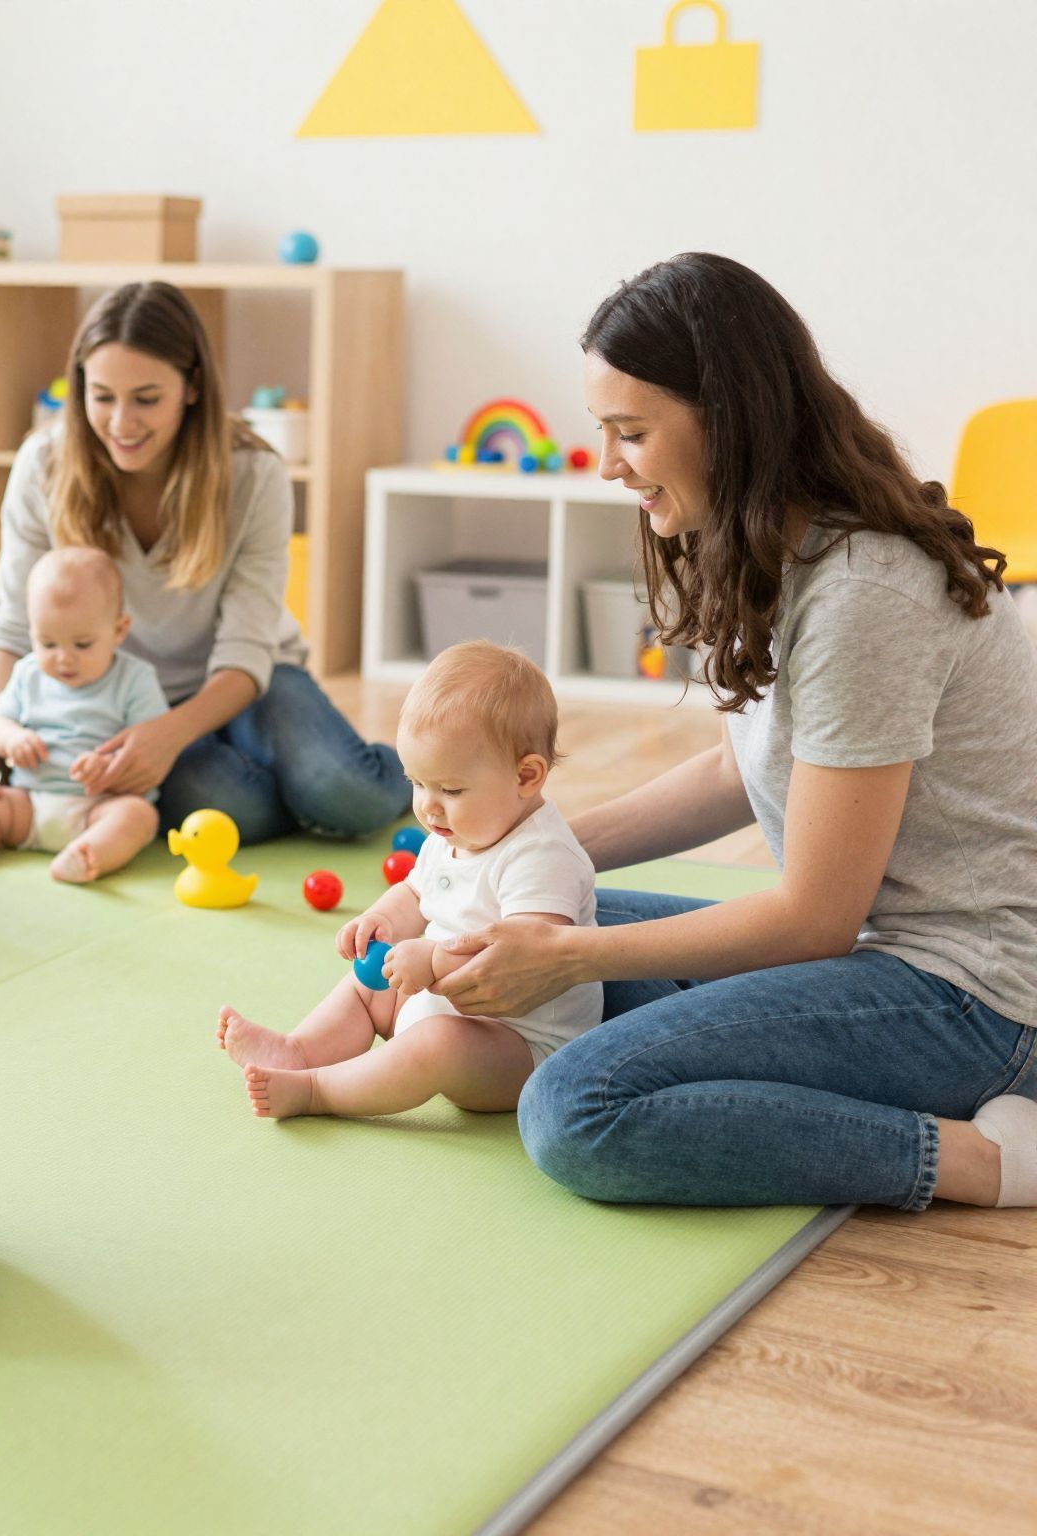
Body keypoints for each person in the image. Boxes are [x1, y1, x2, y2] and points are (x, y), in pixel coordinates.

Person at [425, 253, 1037, 1211]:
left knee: (574, 1108)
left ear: (731, 419)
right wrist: (507, 858)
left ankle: (985, 1162)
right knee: (494, 929)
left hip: (975, 1000)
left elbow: (812, 917)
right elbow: (731, 769)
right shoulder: (778, 547)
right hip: (865, 957)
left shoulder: (863, 593)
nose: (609, 463)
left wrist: (567, 955)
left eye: (631, 433)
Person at [0, 281, 408, 845]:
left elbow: (248, 651)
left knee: (348, 793)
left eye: (146, 399)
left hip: (249, 683)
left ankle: (381, 774)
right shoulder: (44, 464)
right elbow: (9, 628)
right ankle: (289, 791)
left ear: (193, 386)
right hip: (116, 697)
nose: (121, 423)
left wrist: (169, 735)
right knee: (225, 809)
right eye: (102, 397)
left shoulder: (253, 476)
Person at [219, 643, 601, 1119]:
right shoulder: (452, 830)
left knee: (437, 1044)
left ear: (526, 775)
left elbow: (525, 957)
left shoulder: (541, 855)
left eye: (451, 789)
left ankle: (319, 1090)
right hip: (443, 998)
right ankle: (299, 1052)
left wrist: (435, 959)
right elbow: (418, 891)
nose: (428, 806)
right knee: (367, 986)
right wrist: (381, 918)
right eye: (417, 783)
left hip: (519, 1047)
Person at [0, 547, 166, 883]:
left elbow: (150, 744)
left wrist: (108, 765)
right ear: (31, 631)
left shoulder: (135, 679)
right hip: (28, 804)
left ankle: (89, 855)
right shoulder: (27, 674)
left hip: (99, 805)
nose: (63, 659)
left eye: (83, 644)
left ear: (119, 630)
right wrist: (12, 739)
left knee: (139, 816)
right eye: (47, 643)